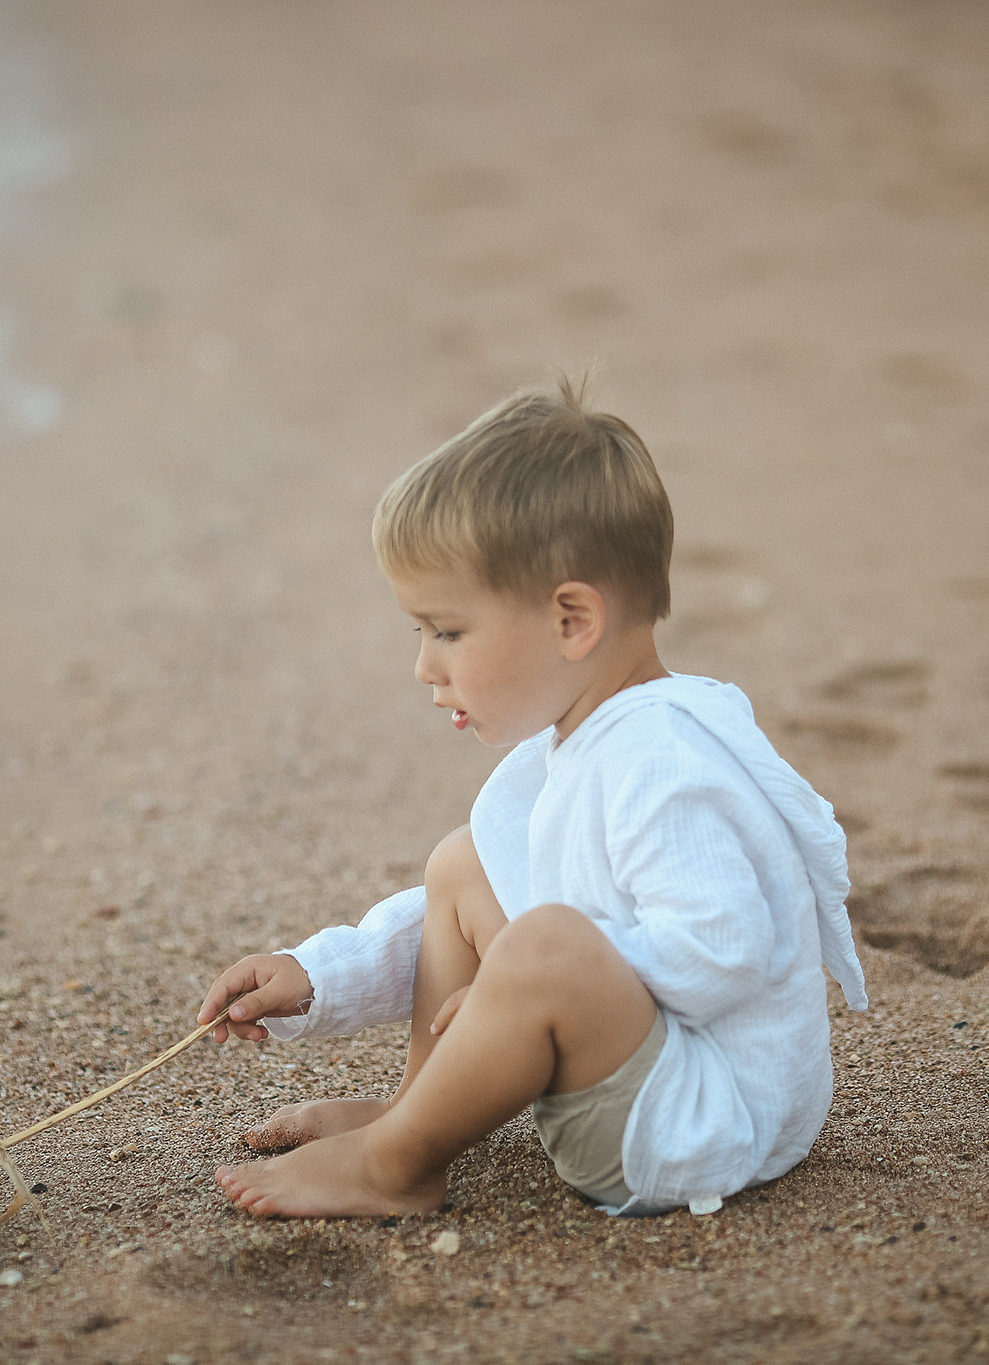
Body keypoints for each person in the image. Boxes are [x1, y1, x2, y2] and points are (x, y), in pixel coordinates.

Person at [199, 379, 867, 1220]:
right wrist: (316, 977)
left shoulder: (662, 763)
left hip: (697, 1124)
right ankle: (420, 1113)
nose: (424, 666)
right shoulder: (581, 736)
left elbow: (721, 948)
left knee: (547, 941)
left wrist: (517, 981)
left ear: (570, 621)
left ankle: (396, 1162)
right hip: (639, 1067)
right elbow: (505, 892)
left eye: (447, 631)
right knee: (463, 861)